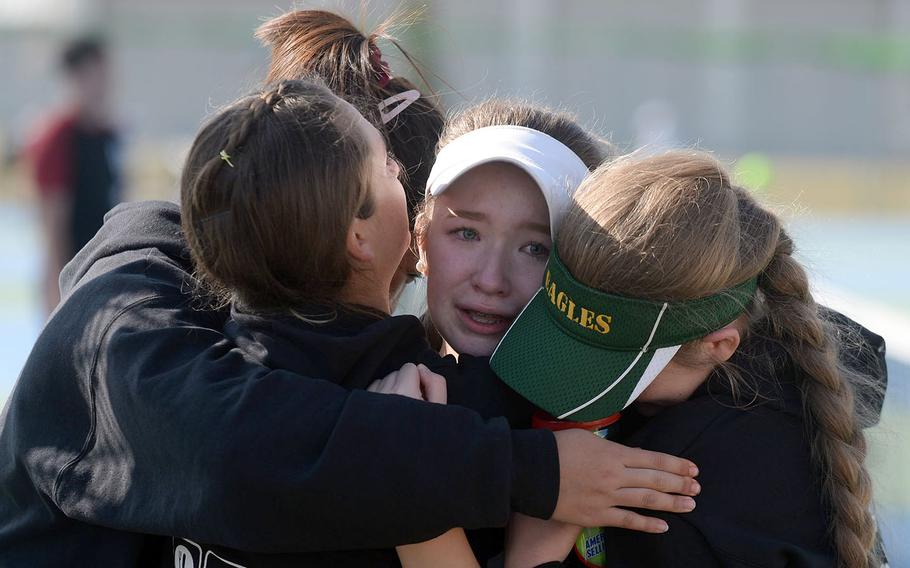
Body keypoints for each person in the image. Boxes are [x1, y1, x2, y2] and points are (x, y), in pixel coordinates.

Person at [0, 10, 699, 567]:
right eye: (461, 229)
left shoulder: (427, 394)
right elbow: (227, 444)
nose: (490, 274)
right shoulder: (138, 287)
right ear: (398, 238)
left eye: (533, 246)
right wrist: (521, 470)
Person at [489, 151, 887, 567]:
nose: (567, 381)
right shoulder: (803, 384)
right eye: (569, 342)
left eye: (611, 364)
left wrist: (532, 555)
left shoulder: (684, 495)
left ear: (719, 345)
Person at [26, 35, 121, 315]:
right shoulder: (58, 136)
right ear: (76, 76)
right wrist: (57, 304)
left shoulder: (108, 134)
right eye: (97, 73)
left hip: (104, 272)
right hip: (74, 278)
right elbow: (52, 227)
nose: (106, 82)